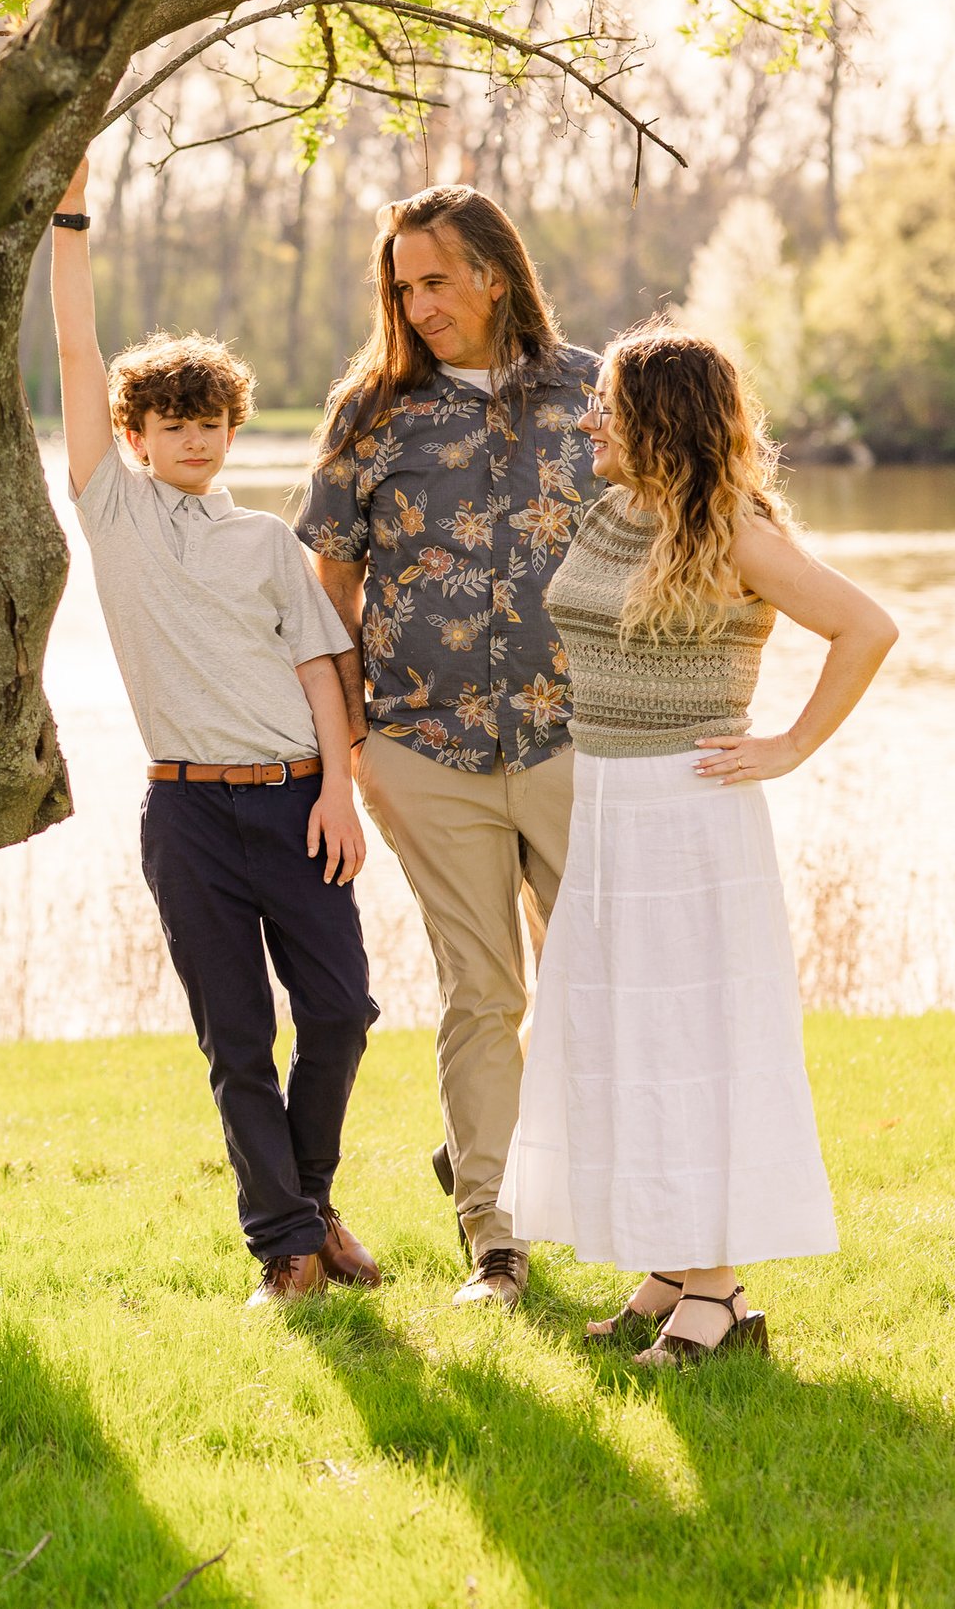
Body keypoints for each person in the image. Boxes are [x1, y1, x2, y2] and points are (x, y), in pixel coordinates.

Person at [501, 324, 897, 1365]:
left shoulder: (736, 533)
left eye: (606, 406)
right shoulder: (610, 511)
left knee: (690, 1038)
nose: (587, 418)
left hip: (688, 810)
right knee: (625, 1034)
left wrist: (790, 744)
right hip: (607, 804)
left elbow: (866, 626)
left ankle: (716, 1300)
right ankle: (673, 1269)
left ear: (656, 419)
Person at [51, 160, 380, 1308]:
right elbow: (77, 357)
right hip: (187, 809)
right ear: (133, 436)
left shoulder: (267, 545)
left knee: (340, 1010)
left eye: (210, 422)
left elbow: (323, 668)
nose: (193, 439)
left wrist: (340, 791)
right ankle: (285, 1247)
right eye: (171, 423)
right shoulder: (115, 511)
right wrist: (69, 217)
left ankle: (314, 1197)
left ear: (232, 431)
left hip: (296, 800)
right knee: (235, 1037)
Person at [296, 185, 599, 1309]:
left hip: (579, 738)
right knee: (481, 990)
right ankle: (496, 1239)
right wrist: (354, 741)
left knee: (596, 979)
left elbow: (678, 535)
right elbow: (322, 583)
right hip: (425, 751)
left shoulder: (593, 395)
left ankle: (581, 1189)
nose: (416, 304)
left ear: (495, 274)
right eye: (400, 285)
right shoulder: (371, 413)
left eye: (434, 279)